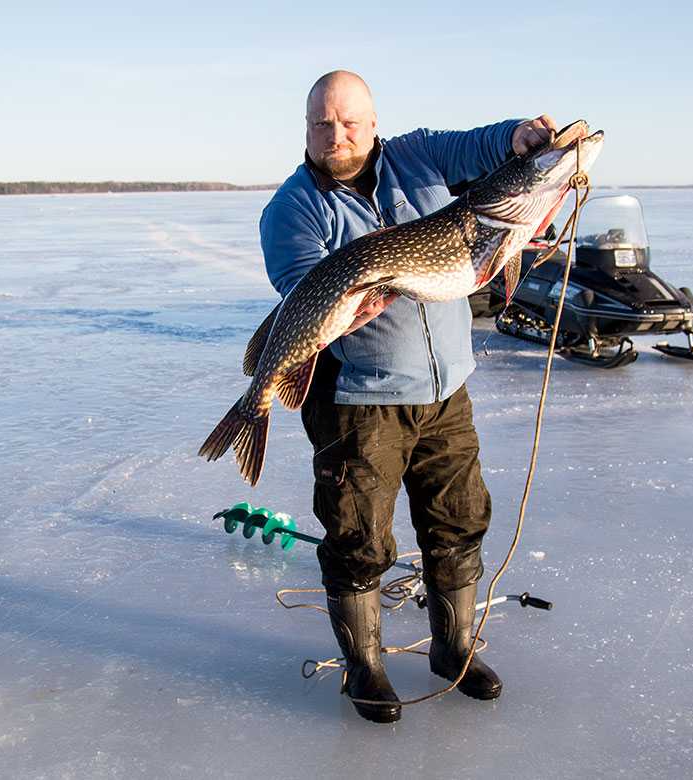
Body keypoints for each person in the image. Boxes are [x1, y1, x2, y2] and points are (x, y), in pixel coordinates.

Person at [259, 70, 556, 724]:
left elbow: (481, 148)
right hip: (359, 404)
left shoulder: (417, 156)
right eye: (323, 124)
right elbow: (306, 295)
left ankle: (452, 650)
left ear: (373, 121)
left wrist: (520, 137)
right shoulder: (292, 210)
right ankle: (364, 669)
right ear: (306, 128)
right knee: (358, 536)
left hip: (446, 390)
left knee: (458, 518)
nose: (338, 136)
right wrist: (376, 284)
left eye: (352, 122)